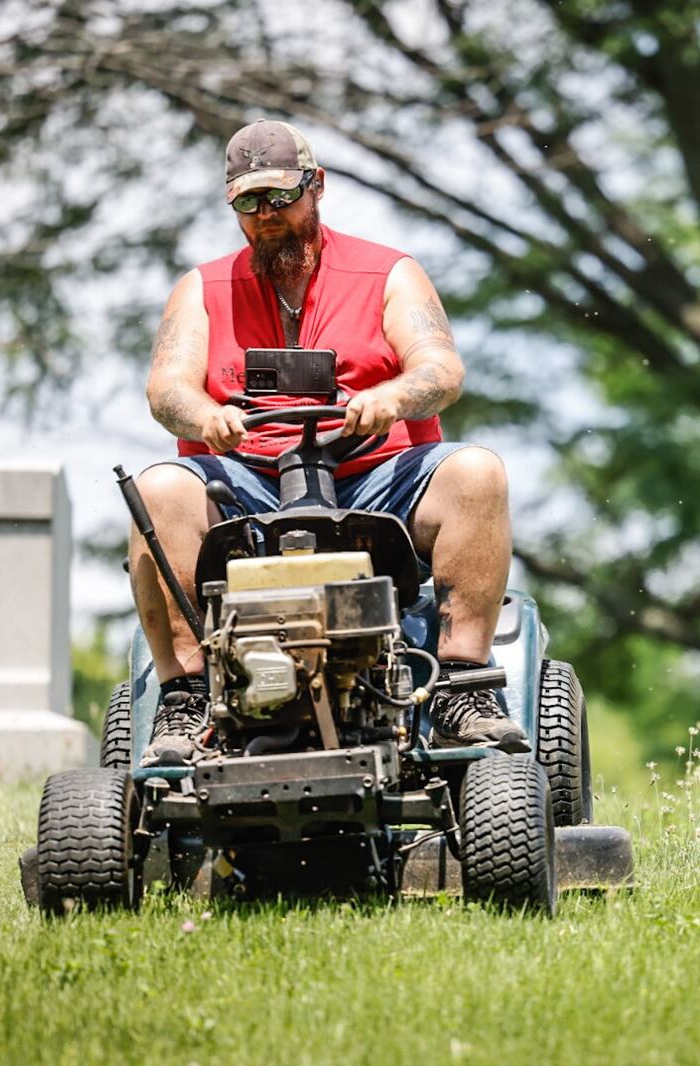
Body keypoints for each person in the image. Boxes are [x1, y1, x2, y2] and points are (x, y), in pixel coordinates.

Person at [129, 119, 526, 765]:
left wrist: (391, 399)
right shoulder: (200, 289)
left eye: (281, 197)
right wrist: (207, 416)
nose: (267, 216)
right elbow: (166, 390)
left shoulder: (389, 273)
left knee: (476, 471)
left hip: (377, 477)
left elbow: (440, 370)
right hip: (247, 484)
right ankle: (185, 699)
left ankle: (461, 686)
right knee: (159, 489)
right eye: (249, 203)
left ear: (317, 187)